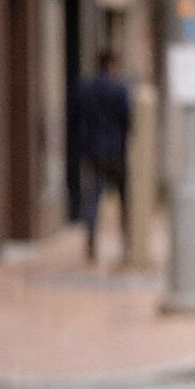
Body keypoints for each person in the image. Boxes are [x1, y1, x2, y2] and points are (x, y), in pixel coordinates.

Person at [75, 50, 131, 263]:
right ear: (113, 64)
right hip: (116, 153)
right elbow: (127, 120)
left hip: (93, 152)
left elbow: (77, 119)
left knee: (93, 198)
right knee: (125, 199)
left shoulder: (86, 89)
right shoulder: (120, 89)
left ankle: (90, 241)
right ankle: (128, 241)